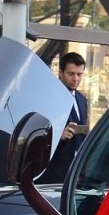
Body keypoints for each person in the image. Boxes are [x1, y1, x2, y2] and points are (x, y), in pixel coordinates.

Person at [40, 51, 90, 183]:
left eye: (79, 74)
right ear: (60, 72)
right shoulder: (47, 97)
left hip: (76, 172)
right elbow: (37, 133)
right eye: (71, 74)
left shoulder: (82, 99)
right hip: (53, 173)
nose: (76, 79)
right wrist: (58, 135)